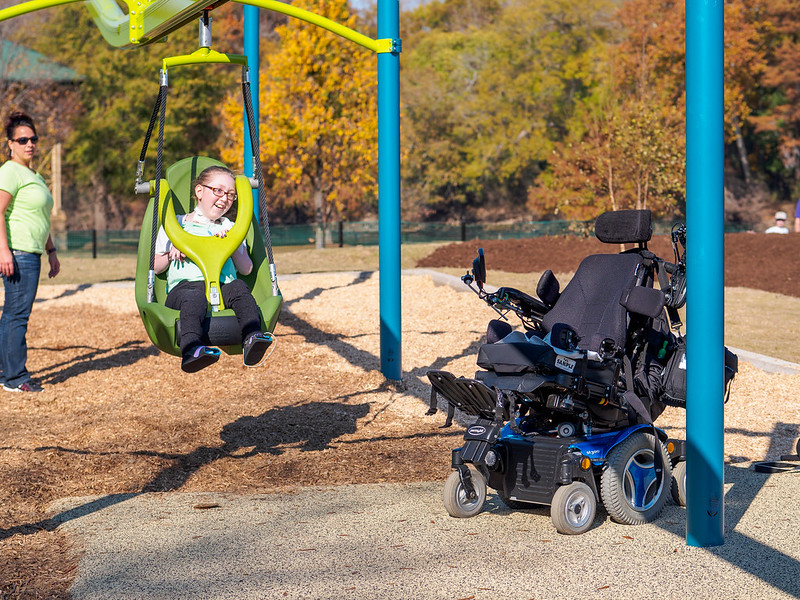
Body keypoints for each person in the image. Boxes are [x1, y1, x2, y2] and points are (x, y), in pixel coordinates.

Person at [154, 165, 272, 373]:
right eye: (218, 190)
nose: (224, 197)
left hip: (221, 288)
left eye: (231, 194)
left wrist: (232, 245)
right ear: (200, 191)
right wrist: (173, 248)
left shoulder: (230, 227)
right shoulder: (176, 225)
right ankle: (191, 349)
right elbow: (156, 268)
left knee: (237, 287)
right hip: (183, 290)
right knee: (194, 297)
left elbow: (246, 269)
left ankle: (252, 337)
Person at [0, 112, 60, 392]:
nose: (29, 144)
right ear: (10, 143)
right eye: (22, 139)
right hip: (18, 252)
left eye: (33, 138)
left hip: (33, 252)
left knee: (13, 314)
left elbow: (40, 217)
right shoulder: (10, 171)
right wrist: (4, 251)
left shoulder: (33, 175)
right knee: (16, 316)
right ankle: (15, 378)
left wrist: (52, 251)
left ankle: (7, 373)